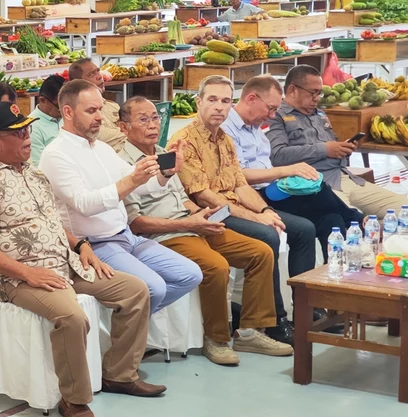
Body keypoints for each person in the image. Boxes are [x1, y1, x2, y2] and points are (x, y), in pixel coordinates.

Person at [0, 103, 162, 417]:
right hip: (19, 278)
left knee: (135, 290)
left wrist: (81, 246)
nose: (28, 138)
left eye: (27, 130)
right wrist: (27, 273)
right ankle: (75, 400)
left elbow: (53, 223)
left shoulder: (36, 175)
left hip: (65, 263)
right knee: (71, 316)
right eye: (18, 133)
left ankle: (120, 375)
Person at [119, 96, 290, 364]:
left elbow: (181, 197)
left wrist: (200, 214)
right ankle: (217, 338)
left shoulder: (164, 152)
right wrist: (188, 223)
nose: (153, 124)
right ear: (123, 127)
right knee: (216, 265)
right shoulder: (123, 164)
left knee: (261, 252)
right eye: (143, 119)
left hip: (192, 223)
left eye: (155, 117)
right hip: (164, 234)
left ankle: (250, 331)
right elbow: (136, 223)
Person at [40, 79, 202, 314]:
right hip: (95, 244)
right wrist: (132, 180)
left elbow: (139, 185)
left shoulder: (101, 148)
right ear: (67, 112)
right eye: (91, 111)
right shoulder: (56, 155)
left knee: (190, 274)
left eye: (100, 110)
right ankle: (128, 336)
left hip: (127, 237)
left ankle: (130, 326)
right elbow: (85, 204)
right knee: (153, 287)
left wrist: (166, 172)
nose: (100, 117)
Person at [171, 75, 307, 346]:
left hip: (229, 204)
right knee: (266, 236)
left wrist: (266, 209)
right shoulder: (185, 140)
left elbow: (241, 185)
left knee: (292, 227)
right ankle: (273, 321)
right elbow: (205, 196)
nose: (219, 107)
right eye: (212, 100)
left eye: (225, 101)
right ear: (198, 102)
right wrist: (256, 217)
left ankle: (292, 314)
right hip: (205, 213)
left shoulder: (225, 140)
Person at [222, 75, 362, 257]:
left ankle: (331, 281)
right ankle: (355, 218)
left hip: (272, 189)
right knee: (314, 199)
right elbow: (236, 176)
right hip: (251, 195)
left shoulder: (255, 126)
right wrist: (287, 170)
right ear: (251, 99)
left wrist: (289, 175)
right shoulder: (226, 130)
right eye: (270, 109)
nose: (272, 115)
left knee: (332, 219)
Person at [267, 64, 404, 218]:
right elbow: (277, 156)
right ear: (292, 90)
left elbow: (332, 145)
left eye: (320, 93)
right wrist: (324, 149)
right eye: (313, 93)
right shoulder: (276, 116)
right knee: (353, 221)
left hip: (344, 177)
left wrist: (343, 149)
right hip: (314, 185)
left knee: (402, 208)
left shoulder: (319, 114)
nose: (317, 98)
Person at [67, 58, 126, 151]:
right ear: (79, 83)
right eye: (91, 74)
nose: (99, 76)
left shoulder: (113, 106)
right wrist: (130, 133)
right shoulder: (76, 113)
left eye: (98, 71)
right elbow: (98, 135)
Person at [28, 74, 65, 167]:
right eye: (59, 106)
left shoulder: (66, 116)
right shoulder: (32, 127)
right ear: (43, 100)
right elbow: (39, 165)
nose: (65, 111)